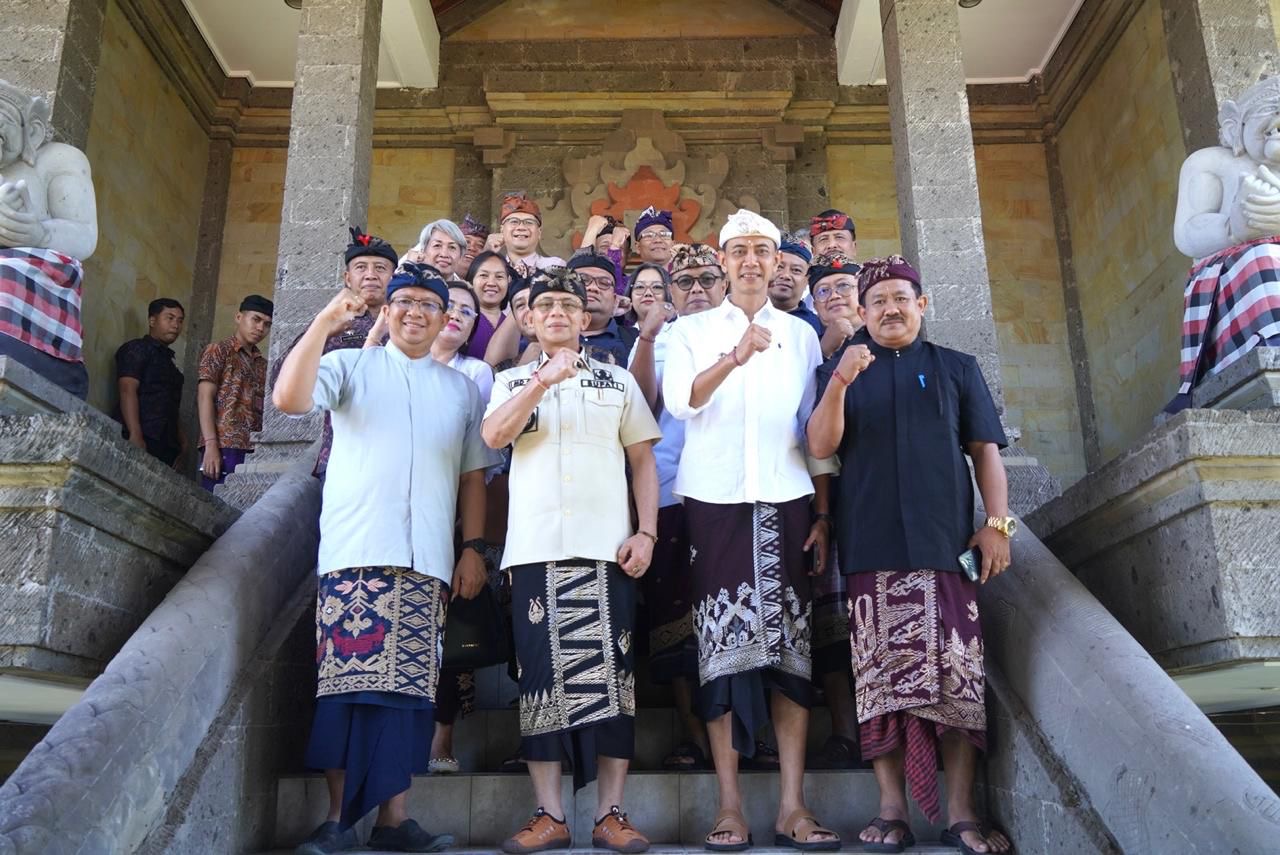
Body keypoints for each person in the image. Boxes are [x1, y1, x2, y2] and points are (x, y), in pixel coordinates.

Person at [275, 262, 497, 855]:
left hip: (425, 561)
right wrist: (324, 321)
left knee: (408, 697)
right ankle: (335, 821)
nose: (417, 312)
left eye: (431, 303)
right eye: (406, 301)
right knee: (345, 694)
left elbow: (474, 477)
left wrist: (471, 549)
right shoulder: (350, 366)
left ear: (446, 318)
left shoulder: (459, 390)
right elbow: (289, 398)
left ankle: (395, 821)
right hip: (355, 554)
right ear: (387, 310)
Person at [806, 255, 1014, 855]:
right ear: (861, 312)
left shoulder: (956, 368)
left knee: (958, 679)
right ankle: (892, 809)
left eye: (901, 298)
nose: (890, 309)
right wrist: (842, 379)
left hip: (945, 548)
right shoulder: (840, 370)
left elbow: (985, 452)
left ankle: (961, 812)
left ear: (921, 305)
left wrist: (996, 525)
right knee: (880, 684)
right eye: (878, 302)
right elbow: (821, 445)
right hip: (870, 549)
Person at [662, 210, 841, 852]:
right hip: (714, 502)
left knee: (793, 653)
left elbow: (814, 432)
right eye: (737, 251)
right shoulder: (690, 330)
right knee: (721, 649)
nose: (750, 262)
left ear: (777, 262)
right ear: (722, 261)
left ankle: (793, 805)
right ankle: (730, 805)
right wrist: (733, 358)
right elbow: (682, 402)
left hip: (787, 499)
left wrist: (822, 514)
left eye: (762, 252)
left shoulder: (800, 335)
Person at [483, 268, 661, 854]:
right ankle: (550, 815)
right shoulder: (510, 382)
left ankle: (611, 814)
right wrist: (541, 381)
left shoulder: (617, 382)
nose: (556, 313)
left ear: (586, 320)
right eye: (545, 306)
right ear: (528, 319)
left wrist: (648, 534)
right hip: (536, 551)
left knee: (616, 680)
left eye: (568, 305)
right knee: (539, 682)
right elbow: (494, 438)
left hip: (608, 549)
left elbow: (641, 462)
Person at [627, 243, 725, 774]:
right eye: (684, 282)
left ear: (725, 283)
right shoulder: (658, 341)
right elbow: (641, 406)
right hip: (669, 493)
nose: (696, 290)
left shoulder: (745, 333)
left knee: (734, 613)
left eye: (707, 279)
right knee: (674, 620)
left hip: (733, 495)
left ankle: (741, 732)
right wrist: (646, 336)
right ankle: (693, 733)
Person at [272, 227, 398, 478]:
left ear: (394, 277)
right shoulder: (331, 323)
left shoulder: (406, 323)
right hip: (342, 458)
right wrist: (324, 328)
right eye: (361, 267)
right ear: (347, 278)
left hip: (397, 457)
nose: (371, 275)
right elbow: (279, 377)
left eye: (380, 268)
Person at [0, 79, 99, 399]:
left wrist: (39, 232)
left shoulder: (59, 159)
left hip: (30, 273)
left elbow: (85, 236)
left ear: (33, 131)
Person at [196, 294, 272, 491]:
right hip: (222, 444)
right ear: (239, 317)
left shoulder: (263, 365)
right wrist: (211, 444)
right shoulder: (218, 350)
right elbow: (205, 397)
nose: (260, 328)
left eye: (266, 324)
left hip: (253, 447)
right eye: (256, 319)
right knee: (217, 505)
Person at [113, 298, 186, 467]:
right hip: (141, 434)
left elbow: (170, 404)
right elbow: (127, 390)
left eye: (180, 321)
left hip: (166, 444)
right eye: (170, 318)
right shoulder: (136, 349)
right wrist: (135, 433)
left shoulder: (171, 366)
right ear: (152, 320)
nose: (176, 325)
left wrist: (182, 441)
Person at [569, 251, 636, 366]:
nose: (593, 288)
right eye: (583, 280)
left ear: (615, 299)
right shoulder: (543, 337)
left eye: (604, 283)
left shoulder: (637, 340)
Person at [487, 192, 566, 275]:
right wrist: (486, 255)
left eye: (529, 222)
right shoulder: (491, 268)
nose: (521, 227)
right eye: (514, 221)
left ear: (539, 232)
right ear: (502, 230)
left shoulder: (554, 266)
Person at [809, 252, 868, 359]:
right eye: (823, 291)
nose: (834, 296)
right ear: (815, 306)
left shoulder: (885, 337)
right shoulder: (805, 347)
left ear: (862, 292)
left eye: (843, 285)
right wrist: (823, 351)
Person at [464, 250, 517, 360]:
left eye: (499, 277)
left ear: (508, 282)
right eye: (484, 275)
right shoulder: (461, 318)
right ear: (471, 281)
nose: (492, 283)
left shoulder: (515, 323)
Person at [769, 239, 823, 337]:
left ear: (807, 279)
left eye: (796, 270)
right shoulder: (743, 315)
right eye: (779, 267)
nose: (785, 275)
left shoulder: (815, 327)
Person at [580, 214, 631, 292]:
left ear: (628, 255)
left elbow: (615, 289)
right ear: (594, 252)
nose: (610, 252)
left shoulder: (633, 284)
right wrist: (591, 231)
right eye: (604, 246)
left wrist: (615, 246)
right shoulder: (580, 282)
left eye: (619, 249)